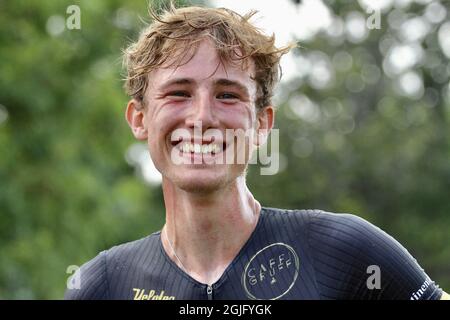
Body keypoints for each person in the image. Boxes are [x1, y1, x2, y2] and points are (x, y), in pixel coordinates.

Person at [65, 5, 449, 300]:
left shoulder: (346, 251)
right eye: (178, 93)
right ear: (139, 119)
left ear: (262, 124)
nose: (202, 117)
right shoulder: (102, 284)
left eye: (228, 95)